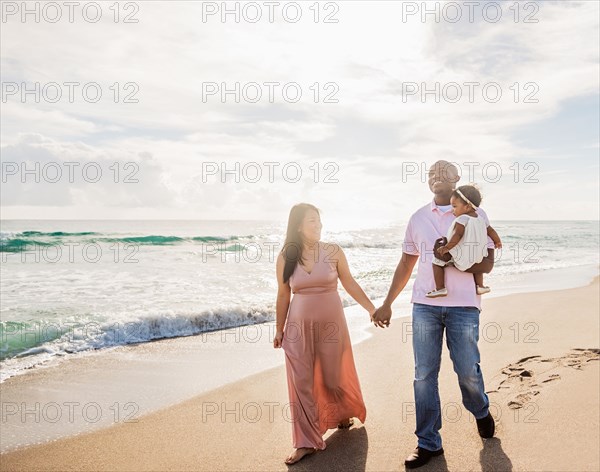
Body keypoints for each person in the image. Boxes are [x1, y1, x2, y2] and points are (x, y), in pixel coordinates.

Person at [372, 161, 497, 469]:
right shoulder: (417, 218)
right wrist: (387, 302)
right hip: (425, 306)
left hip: (464, 305)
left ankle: (480, 408)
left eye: (444, 172)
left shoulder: (476, 215)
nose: (436, 177)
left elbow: (487, 261)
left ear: (457, 179)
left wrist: (456, 261)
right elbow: (406, 264)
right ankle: (428, 442)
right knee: (424, 375)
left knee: (467, 369)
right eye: (431, 173)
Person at [273, 203, 375, 465]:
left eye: (319, 221)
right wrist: (279, 328)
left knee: (332, 377)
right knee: (301, 381)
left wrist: (371, 309)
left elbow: (349, 283)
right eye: (311, 221)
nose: (318, 225)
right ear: (298, 226)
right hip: (298, 326)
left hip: (332, 325)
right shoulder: (287, 256)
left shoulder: (333, 251)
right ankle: (305, 442)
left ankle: (342, 412)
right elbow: (284, 294)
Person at [426, 184, 502, 298]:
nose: (452, 210)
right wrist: (497, 241)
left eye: (455, 206)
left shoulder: (462, 219)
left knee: (437, 261)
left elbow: (457, 235)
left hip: (461, 258)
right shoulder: (481, 219)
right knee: (477, 265)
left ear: (467, 207)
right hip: (476, 257)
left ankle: (440, 288)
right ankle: (480, 286)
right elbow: (491, 231)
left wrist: (446, 248)